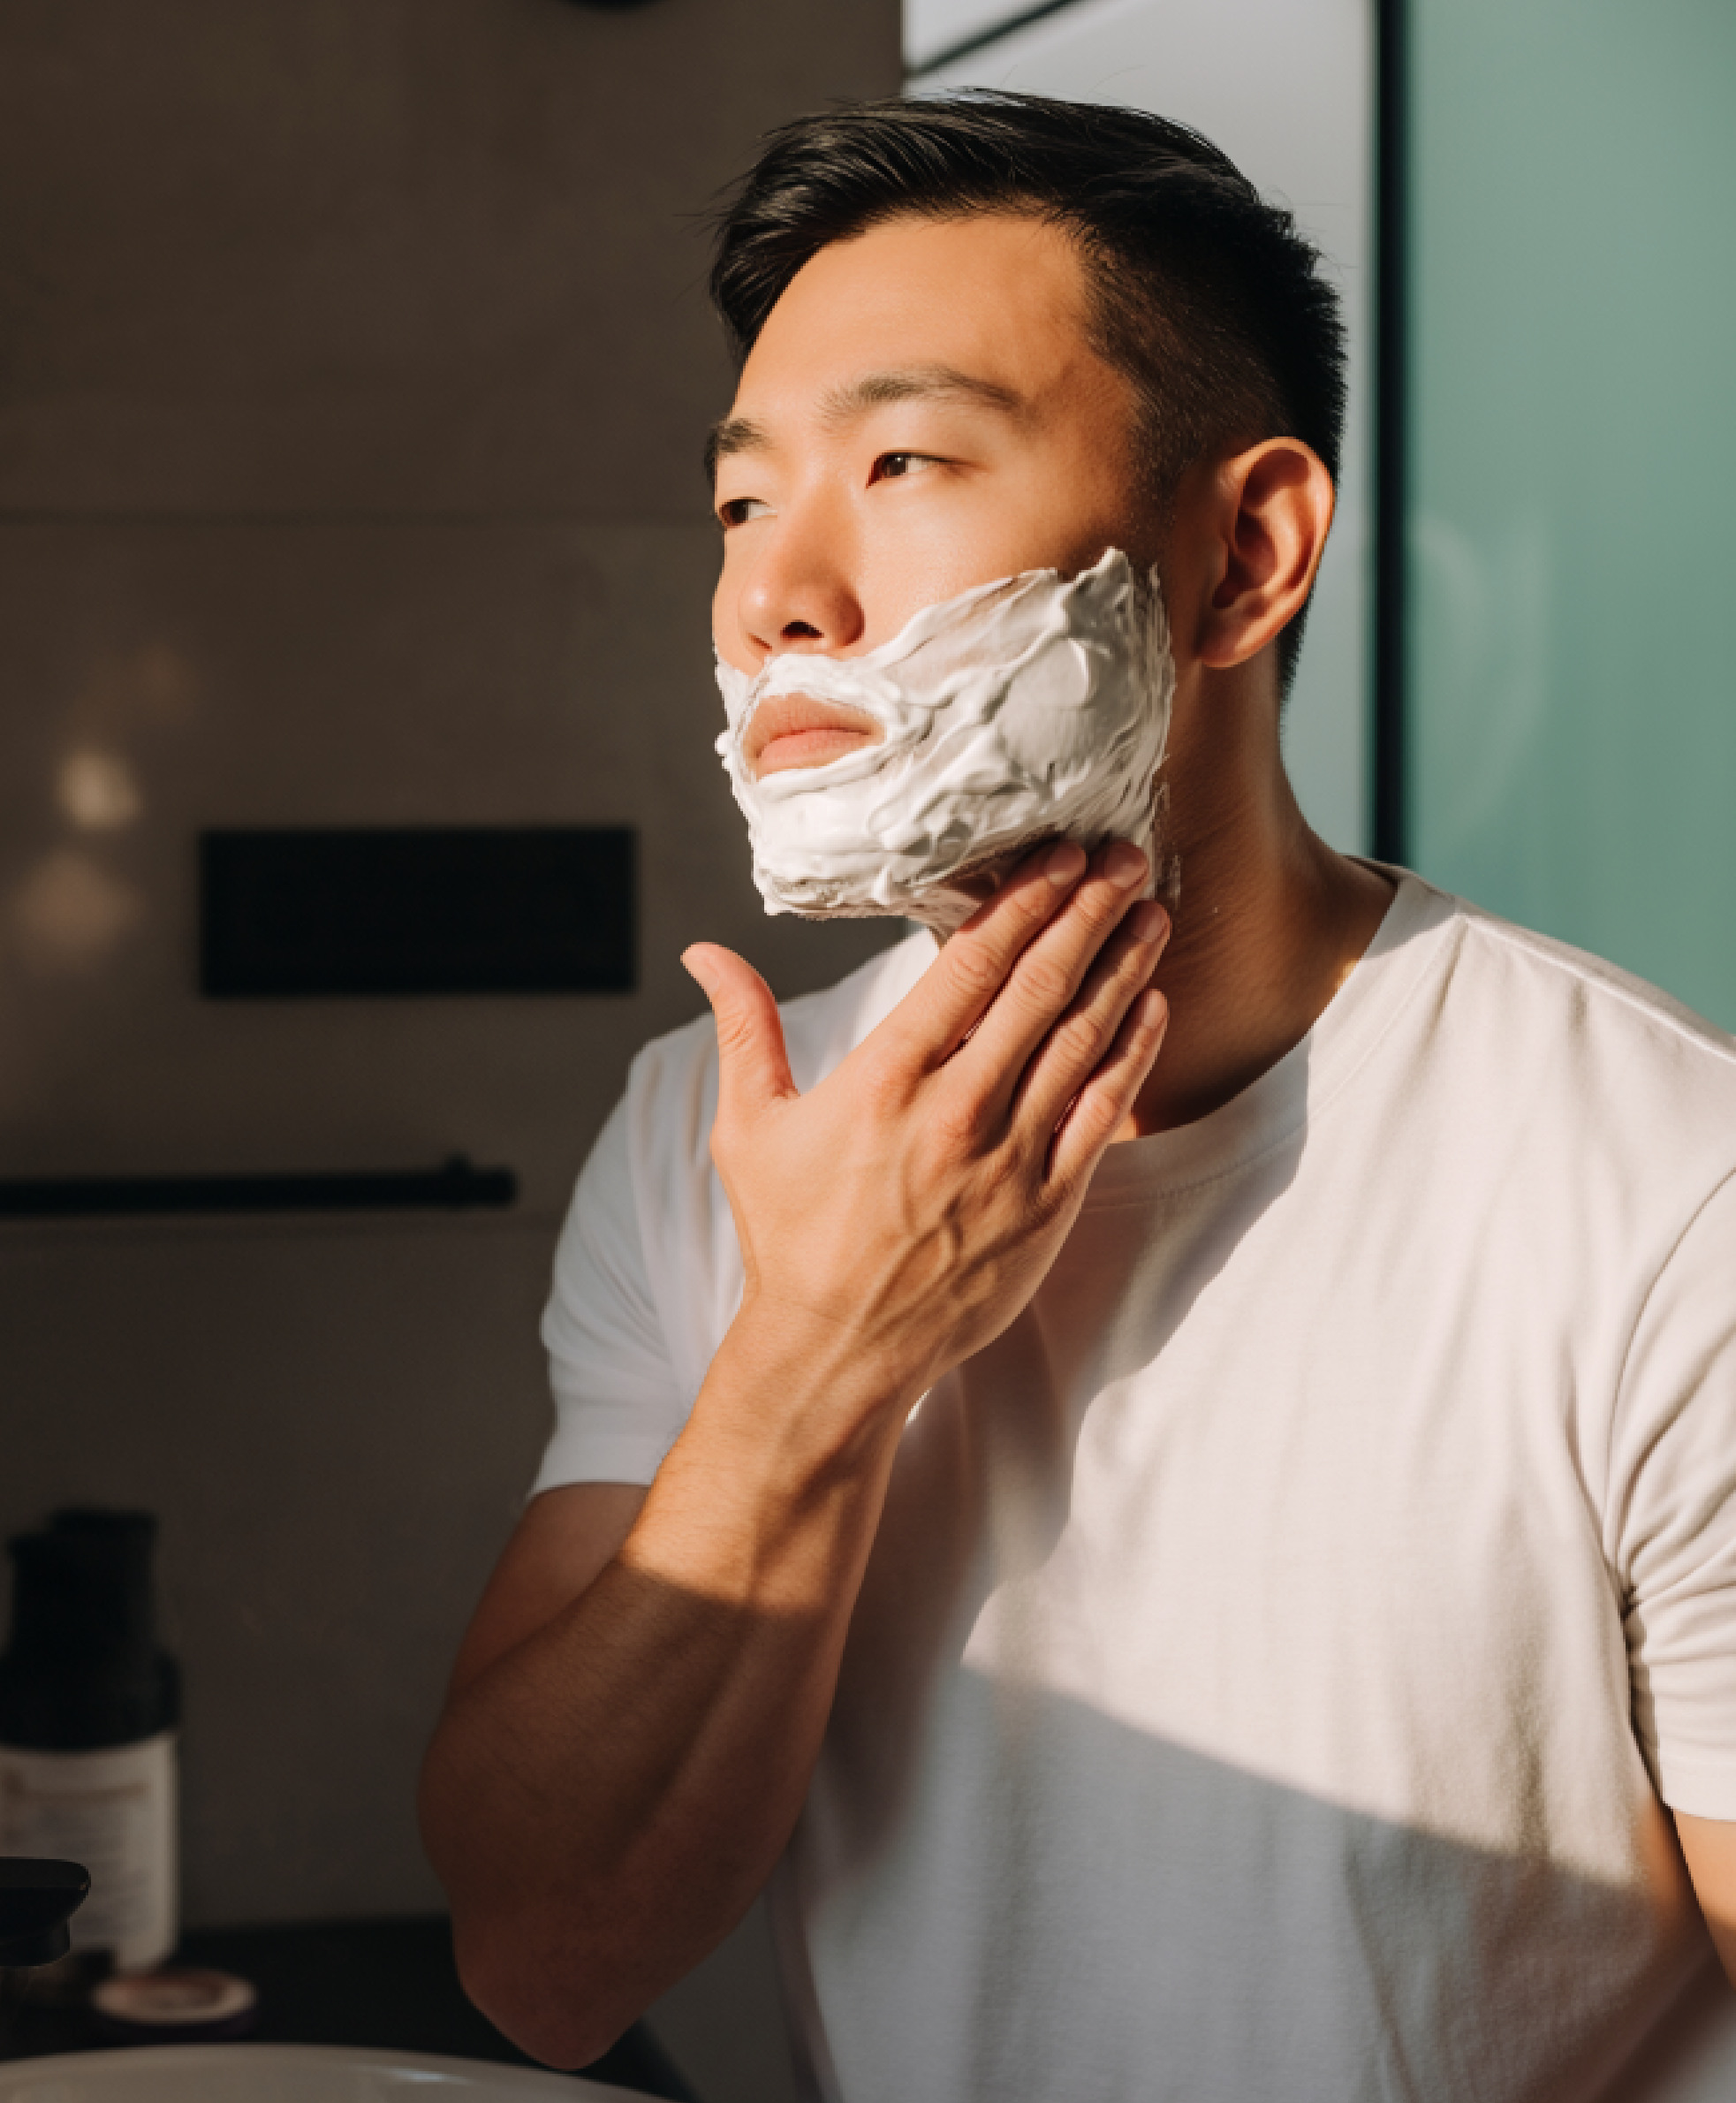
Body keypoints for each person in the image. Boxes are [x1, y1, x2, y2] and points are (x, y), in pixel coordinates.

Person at [420, 94, 1736, 2100]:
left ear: (1241, 558)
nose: (778, 594)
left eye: (902, 462)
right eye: (744, 501)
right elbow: (543, 1960)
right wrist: (814, 1357)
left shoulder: (1665, 1187)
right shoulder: (707, 1137)